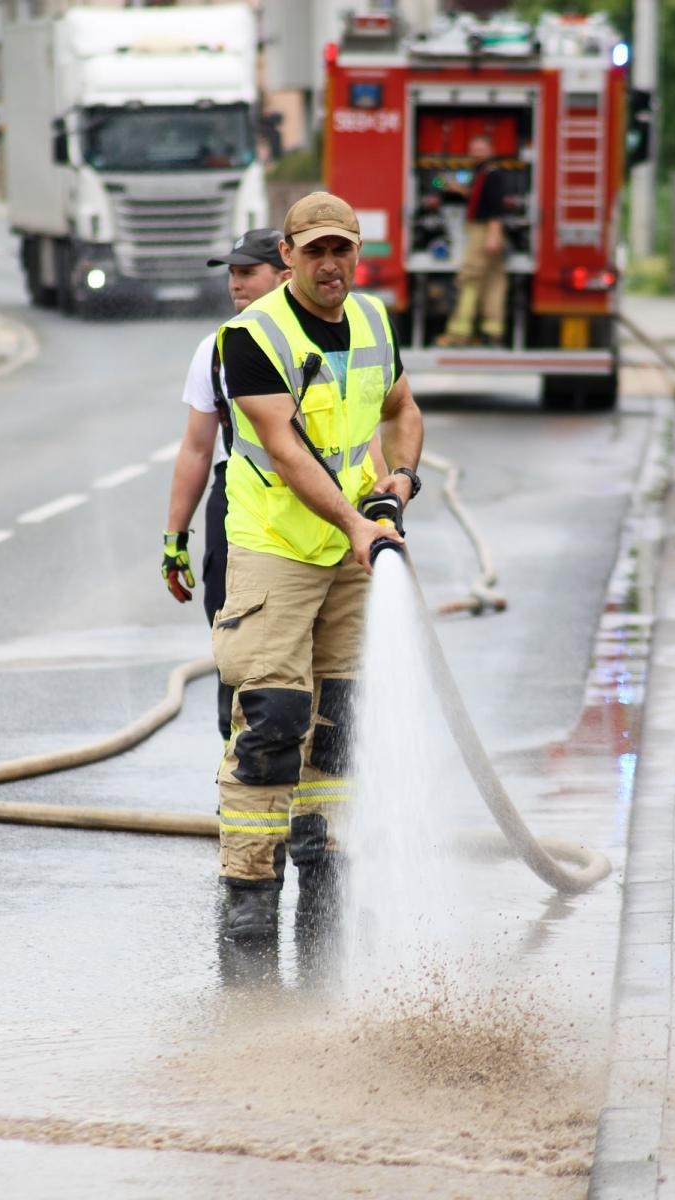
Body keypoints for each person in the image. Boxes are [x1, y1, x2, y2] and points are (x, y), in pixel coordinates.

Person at [213, 191, 424, 940]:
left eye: (343, 250)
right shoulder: (250, 336)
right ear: (289, 258)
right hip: (276, 549)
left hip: (346, 548)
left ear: (357, 253)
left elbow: (401, 409)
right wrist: (358, 526)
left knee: (337, 722)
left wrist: (398, 481)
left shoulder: (371, 320)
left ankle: (323, 868)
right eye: (315, 252)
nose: (330, 265)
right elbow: (285, 448)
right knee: (273, 721)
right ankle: (248, 893)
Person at [162, 229, 291, 742]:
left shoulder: (317, 340)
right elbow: (196, 448)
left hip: (311, 504)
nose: (235, 283)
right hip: (236, 499)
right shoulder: (215, 348)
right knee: (234, 638)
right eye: (231, 273)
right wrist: (175, 540)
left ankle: (309, 797)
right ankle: (241, 773)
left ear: (284, 276)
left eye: (247, 272)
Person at [435, 134, 508, 348]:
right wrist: (458, 189)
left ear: (491, 151)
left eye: (481, 148)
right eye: (473, 148)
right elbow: (480, 199)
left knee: (469, 278)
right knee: (494, 280)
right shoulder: (483, 173)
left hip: (485, 230)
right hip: (487, 230)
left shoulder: (492, 175)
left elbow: (495, 208)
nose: (476, 152)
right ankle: (492, 332)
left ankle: (458, 333)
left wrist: (493, 235)